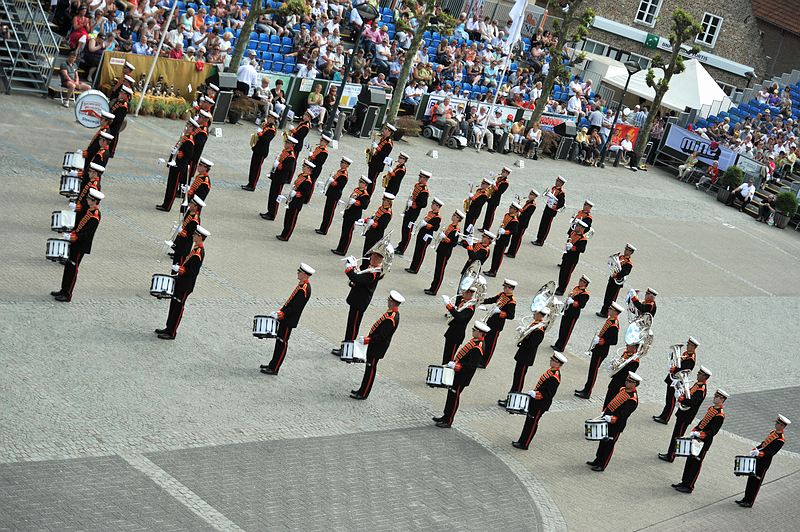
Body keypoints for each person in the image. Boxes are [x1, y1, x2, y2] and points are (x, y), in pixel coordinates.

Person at [156, 225, 209, 340]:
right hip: (181, 281)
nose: (193, 235)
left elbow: (193, 271)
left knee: (178, 307)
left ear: (200, 237)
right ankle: (168, 327)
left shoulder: (198, 252)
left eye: (196, 234)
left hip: (186, 284)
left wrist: (180, 269)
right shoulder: (196, 248)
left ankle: (172, 332)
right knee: (173, 305)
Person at [260, 263, 314, 375]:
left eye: (299, 271)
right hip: (286, 318)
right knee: (278, 342)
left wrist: (281, 314)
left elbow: (294, 308)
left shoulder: (304, 289)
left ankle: (275, 368)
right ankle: (272, 364)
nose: (297, 273)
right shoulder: (302, 285)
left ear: (304, 274)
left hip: (289, 320)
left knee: (282, 343)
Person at [433, 321, 489, 428]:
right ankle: (445, 416)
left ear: (480, 333)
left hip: (462, 376)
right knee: (450, 395)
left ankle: (449, 420)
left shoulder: (478, 347)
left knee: (454, 397)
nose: (472, 331)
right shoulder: (475, 341)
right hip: (458, 373)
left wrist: (457, 366)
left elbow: (472, 365)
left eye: (474, 330)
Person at [51, 189, 103, 302]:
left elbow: (88, 234)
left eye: (89, 199)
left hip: (81, 245)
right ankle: (63, 289)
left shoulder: (95, 215)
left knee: (73, 269)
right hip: (75, 241)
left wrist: (75, 237)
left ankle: (68, 294)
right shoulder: (89, 210)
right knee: (68, 266)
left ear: (95, 201)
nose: (87, 200)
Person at [350, 290, 404, 400]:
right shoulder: (391, 313)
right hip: (376, 345)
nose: (388, 301)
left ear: (393, 302)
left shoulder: (391, 318)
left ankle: (364, 393)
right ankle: (362, 389)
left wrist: (368, 340)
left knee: (370, 369)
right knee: (368, 368)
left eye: (389, 300)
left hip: (377, 347)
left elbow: (381, 336)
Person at [672, 389, 728, 493]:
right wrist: (696, 429)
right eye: (715, 395)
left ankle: (689, 486)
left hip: (704, 442)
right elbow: (704, 421)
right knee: (689, 461)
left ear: (722, 399)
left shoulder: (720, 415)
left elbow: (712, 431)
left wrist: (701, 434)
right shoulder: (712, 409)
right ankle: (684, 482)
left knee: (696, 464)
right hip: (697, 437)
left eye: (717, 396)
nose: (714, 397)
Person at [331, 249, 387, 353]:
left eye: (373, 257)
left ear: (377, 260)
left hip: (360, 302)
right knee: (351, 325)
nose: (371, 258)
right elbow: (360, 281)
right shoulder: (373, 270)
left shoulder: (373, 273)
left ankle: (347, 351)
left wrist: (350, 269)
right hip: (358, 300)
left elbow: (358, 279)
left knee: (352, 327)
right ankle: (346, 348)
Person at [511, 352, 566, 450]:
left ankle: (525, 443)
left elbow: (548, 394)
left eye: (553, 360)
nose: (551, 361)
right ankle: (521, 440)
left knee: (532, 423)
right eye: (552, 359)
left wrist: (535, 394)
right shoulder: (551, 371)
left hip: (541, 404)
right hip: (536, 401)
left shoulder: (554, 377)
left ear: (558, 364)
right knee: (529, 421)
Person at [587, 371, 641, 472]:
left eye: (630, 382)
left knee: (609, 444)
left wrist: (614, 418)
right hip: (607, 419)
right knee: (602, 441)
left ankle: (602, 464)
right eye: (627, 380)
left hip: (616, 424)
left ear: (635, 384)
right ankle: (597, 459)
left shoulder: (632, 399)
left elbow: (624, 413)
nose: (627, 383)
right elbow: (614, 402)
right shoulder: (623, 390)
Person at [657, 366, 711, 462]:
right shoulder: (698, 385)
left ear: (704, 377)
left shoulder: (701, 389)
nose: (697, 374)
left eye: (700, 373)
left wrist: (682, 399)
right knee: (676, 434)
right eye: (698, 372)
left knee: (678, 436)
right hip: (683, 413)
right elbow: (688, 394)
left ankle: (671, 456)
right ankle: (670, 453)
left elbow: (693, 402)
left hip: (686, 415)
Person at [736, 415, 791, 507]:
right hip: (757, 460)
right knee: (750, 480)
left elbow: (771, 452)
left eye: (778, 423)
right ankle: (745, 498)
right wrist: (756, 449)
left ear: (782, 426)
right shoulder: (773, 432)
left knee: (756, 483)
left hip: (763, 463)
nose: (776, 424)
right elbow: (763, 444)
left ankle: (750, 501)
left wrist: (760, 454)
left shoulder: (780, 440)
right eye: (777, 423)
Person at [574, 302, 623, 399]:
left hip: (601, 351)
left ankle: (587, 392)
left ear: (615, 312)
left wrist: (603, 341)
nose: (608, 310)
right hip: (598, 349)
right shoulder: (610, 320)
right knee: (591, 370)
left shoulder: (614, 325)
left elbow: (614, 341)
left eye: (611, 309)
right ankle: (586, 388)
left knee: (593, 371)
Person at [499, 308, 549, 403]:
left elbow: (532, 344)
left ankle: (513, 400)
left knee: (519, 379)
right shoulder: (535, 324)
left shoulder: (539, 329)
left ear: (540, 314)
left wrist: (524, 335)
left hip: (526, 357)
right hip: (523, 355)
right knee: (517, 377)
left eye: (536, 313)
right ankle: (511, 398)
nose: (534, 314)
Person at [654, 337, 699, 424]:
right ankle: (663, 415)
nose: (687, 346)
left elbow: (683, 370)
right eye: (688, 344)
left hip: (677, 380)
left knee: (671, 400)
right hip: (673, 378)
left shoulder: (691, 359)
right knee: (668, 398)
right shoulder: (686, 353)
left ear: (694, 347)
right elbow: (679, 363)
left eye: (689, 345)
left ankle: (665, 418)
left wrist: (674, 369)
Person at [157, 118, 197, 212]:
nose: (187, 127)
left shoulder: (189, 141)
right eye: (187, 125)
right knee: (169, 185)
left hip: (180, 166)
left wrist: (181, 154)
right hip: (175, 164)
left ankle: (167, 206)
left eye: (189, 126)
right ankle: (165, 203)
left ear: (192, 128)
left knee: (173, 187)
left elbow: (190, 155)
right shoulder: (185, 137)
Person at [479, 279, 517, 367]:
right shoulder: (502, 294)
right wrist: (481, 301)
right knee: (484, 341)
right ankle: (480, 359)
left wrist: (500, 312)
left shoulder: (512, 302)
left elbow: (511, 316)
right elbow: (493, 299)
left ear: (511, 288)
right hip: (491, 320)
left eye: (506, 287)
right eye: (504, 286)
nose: (504, 288)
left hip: (497, 325)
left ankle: (484, 363)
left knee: (490, 344)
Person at [425, 210, 464, 296]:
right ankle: (432, 287)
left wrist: (445, 238)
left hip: (445, 252)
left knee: (440, 271)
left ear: (458, 219)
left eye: (454, 215)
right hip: (441, 249)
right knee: (437, 269)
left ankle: (434, 290)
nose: (452, 216)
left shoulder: (456, 230)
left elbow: (454, 243)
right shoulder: (450, 226)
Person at [259, 136, 298, 221]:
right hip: (276, 176)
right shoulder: (285, 152)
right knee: (272, 194)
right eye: (286, 142)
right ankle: (269, 211)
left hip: (281, 178)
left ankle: (272, 214)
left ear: (291, 145)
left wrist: (281, 166)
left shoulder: (291, 156)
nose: (285, 144)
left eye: (287, 143)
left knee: (276, 196)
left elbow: (290, 168)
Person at [332, 176, 371, 256]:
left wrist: (356, 202)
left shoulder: (365, 195)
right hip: (348, 212)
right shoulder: (356, 189)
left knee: (348, 233)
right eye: (360, 181)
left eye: (362, 183)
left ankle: (343, 250)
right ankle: (339, 248)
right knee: (344, 231)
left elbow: (364, 206)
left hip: (354, 215)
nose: (360, 183)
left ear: (365, 185)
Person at [276, 160, 315, 242]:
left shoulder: (308, 181)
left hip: (297, 202)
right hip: (292, 200)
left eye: (304, 167)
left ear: (308, 169)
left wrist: (296, 193)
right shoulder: (301, 176)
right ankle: (283, 233)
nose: (302, 168)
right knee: (287, 218)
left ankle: (286, 236)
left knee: (291, 219)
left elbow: (305, 193)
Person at [396, 170, 431, 256]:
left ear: (425, 179)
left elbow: (423, 204)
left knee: (407, 230)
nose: (419, 178)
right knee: (404, 228)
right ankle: (400, 245)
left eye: (421, 177)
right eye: (420, 176)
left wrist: (414, 204)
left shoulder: (424, 191)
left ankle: (402, 249)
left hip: (414, 213)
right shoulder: (417, 185)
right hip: (409, 210)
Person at [552, 275, 590, 353]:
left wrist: (573, 302)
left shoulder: (585, 294)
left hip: (573, 314)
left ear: (585, 284)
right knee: (562, 328)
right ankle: (558, 344)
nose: (580, 282)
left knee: (567, 331)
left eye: (582, 281)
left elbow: (582, 305)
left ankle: (561, 347)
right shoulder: (576, 288)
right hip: (567, 310)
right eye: (580, 280)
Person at [440, 286, 477, 363]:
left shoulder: (470, 308)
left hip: (456, 335)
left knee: (449, 358)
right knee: (446, 356)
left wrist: (449, 306)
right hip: (452, 332)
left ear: (469, 293)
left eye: (465, 291)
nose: (462, 293)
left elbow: (459, 317)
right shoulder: (464, 302)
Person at [316, 156, 352, 235]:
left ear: (347, 165)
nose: (341, 164)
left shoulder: (344, 175)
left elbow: (340, 186)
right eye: (341, 162)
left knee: (329, 213)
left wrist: (333, 182)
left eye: (343, 163)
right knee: (326, 211)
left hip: (335, 195)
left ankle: (324, 230)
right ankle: (322, 227)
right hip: (331, 193)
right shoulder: (340, 171)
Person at [243, 111, 279, 191]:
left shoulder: (271, 129)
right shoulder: (267, 126)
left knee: (256, 169)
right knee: (253, 167)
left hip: (262, 150)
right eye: (268, 117)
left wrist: (260, 134)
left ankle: (253, 185)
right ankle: (250, 183)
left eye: (269, 117)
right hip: (257, 149)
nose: (268, 118)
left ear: (273, 119)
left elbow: (266, 140)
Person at [597, 244, 635, 317]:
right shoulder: (620, 257)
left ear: (631, 253)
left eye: (628, 250)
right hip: (612, 279)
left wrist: (617, 275)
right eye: (625, 249)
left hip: (617, 282)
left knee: (612, 297)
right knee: (607, 295)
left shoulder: (628, 263)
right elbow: (614, 264)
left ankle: (608, 313)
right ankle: (603, 311)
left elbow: (626, 272)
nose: (625, 251)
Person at [406, 198, 443, 274]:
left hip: (427, 235)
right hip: (422, 233)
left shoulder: (437, 217)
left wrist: (426, 225)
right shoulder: (430, 212)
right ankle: (412, 266)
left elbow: (435, 228)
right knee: (416, 250)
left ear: (437, 206)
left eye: (433, 204)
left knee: (420, 252)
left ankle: (415, 269)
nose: (431, 205)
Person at [484, 202, 519, 277]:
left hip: (504, 240)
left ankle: (494, 271)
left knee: (499, 256)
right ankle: (491, 269)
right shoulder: (506, 215)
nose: (510, 209)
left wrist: (505, 232)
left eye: (512, 208)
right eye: (510, 207)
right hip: (499, 238)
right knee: (495, 255)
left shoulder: (514, 221)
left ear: (516, 211)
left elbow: (514, 231)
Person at [360, 192, 395, 266]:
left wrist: (374, 223)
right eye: (383, 199)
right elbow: (375, 217)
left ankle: (366, 266)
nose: (383, 201)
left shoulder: (387, 213)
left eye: (385, 200)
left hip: (376, 235)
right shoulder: (381, 208)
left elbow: (382, 226)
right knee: (366, 250)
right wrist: (367, 220)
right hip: (371, 232)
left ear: (389, 202)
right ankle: (363, 265)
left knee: (370, 252)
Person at [556, 220, 589, 295]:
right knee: (562, 273)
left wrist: (573, 247)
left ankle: (562, 290)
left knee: (567, 274)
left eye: (578, 226)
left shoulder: (583, 239)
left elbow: (582, 249)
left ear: (582, 229)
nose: (576, 227)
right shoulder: (573, 232)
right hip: (566, 256)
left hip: (572, 259)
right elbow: (569, 239)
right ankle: (559, 287)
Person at [171, 196, 204, 266]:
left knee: (179, 263)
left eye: (191, 203)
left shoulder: (195, 220)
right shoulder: (189, 212)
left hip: (184, 245)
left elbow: (190, 235)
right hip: (180, 241)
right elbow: (182, 214)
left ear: (196, 207)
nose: (189, 204)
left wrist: (181, 231)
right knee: (174, 262)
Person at [532, 176, 565, 246]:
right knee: (542, 223)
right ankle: (538, 238)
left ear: (561, 183)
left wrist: (556, 206)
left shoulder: (561, 192)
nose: (556, 182)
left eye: (558, 181)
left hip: (552, 210)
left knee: (546, 226)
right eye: (556, 180)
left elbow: (562, 203)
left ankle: (541, 241)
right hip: (547, 207)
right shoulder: (553, 188)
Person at [506, 190, 538, 258]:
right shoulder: (528, 202)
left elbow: (527, 214)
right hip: (519, 221)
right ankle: (509, 251)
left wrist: (520, 210)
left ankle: (513, 253)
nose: (530, 195)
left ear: (535, 197)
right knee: (514, 237)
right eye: (530, 194)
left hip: (523, 223)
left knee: (517, 238)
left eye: (532, 195)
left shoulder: (533, 205)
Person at [366, 124, 395, 196]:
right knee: (369, 178)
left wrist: (377, 147)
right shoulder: (383, 139)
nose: (383, 130)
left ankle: (368, 195)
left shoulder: (389, 143)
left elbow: (384, 155)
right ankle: (366, 192)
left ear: (389, 132)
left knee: (372, 181)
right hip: (373, 161)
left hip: (378, 165)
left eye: (385, 129)